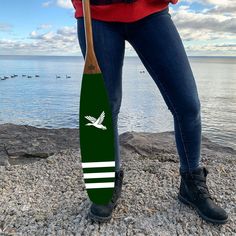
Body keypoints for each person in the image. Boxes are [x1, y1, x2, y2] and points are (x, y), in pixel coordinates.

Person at [71, 0, 228, 224]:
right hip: (96, 15)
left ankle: (191, 183)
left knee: (187, 105)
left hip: (150, 11)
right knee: (105, 108)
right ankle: (107, 182)